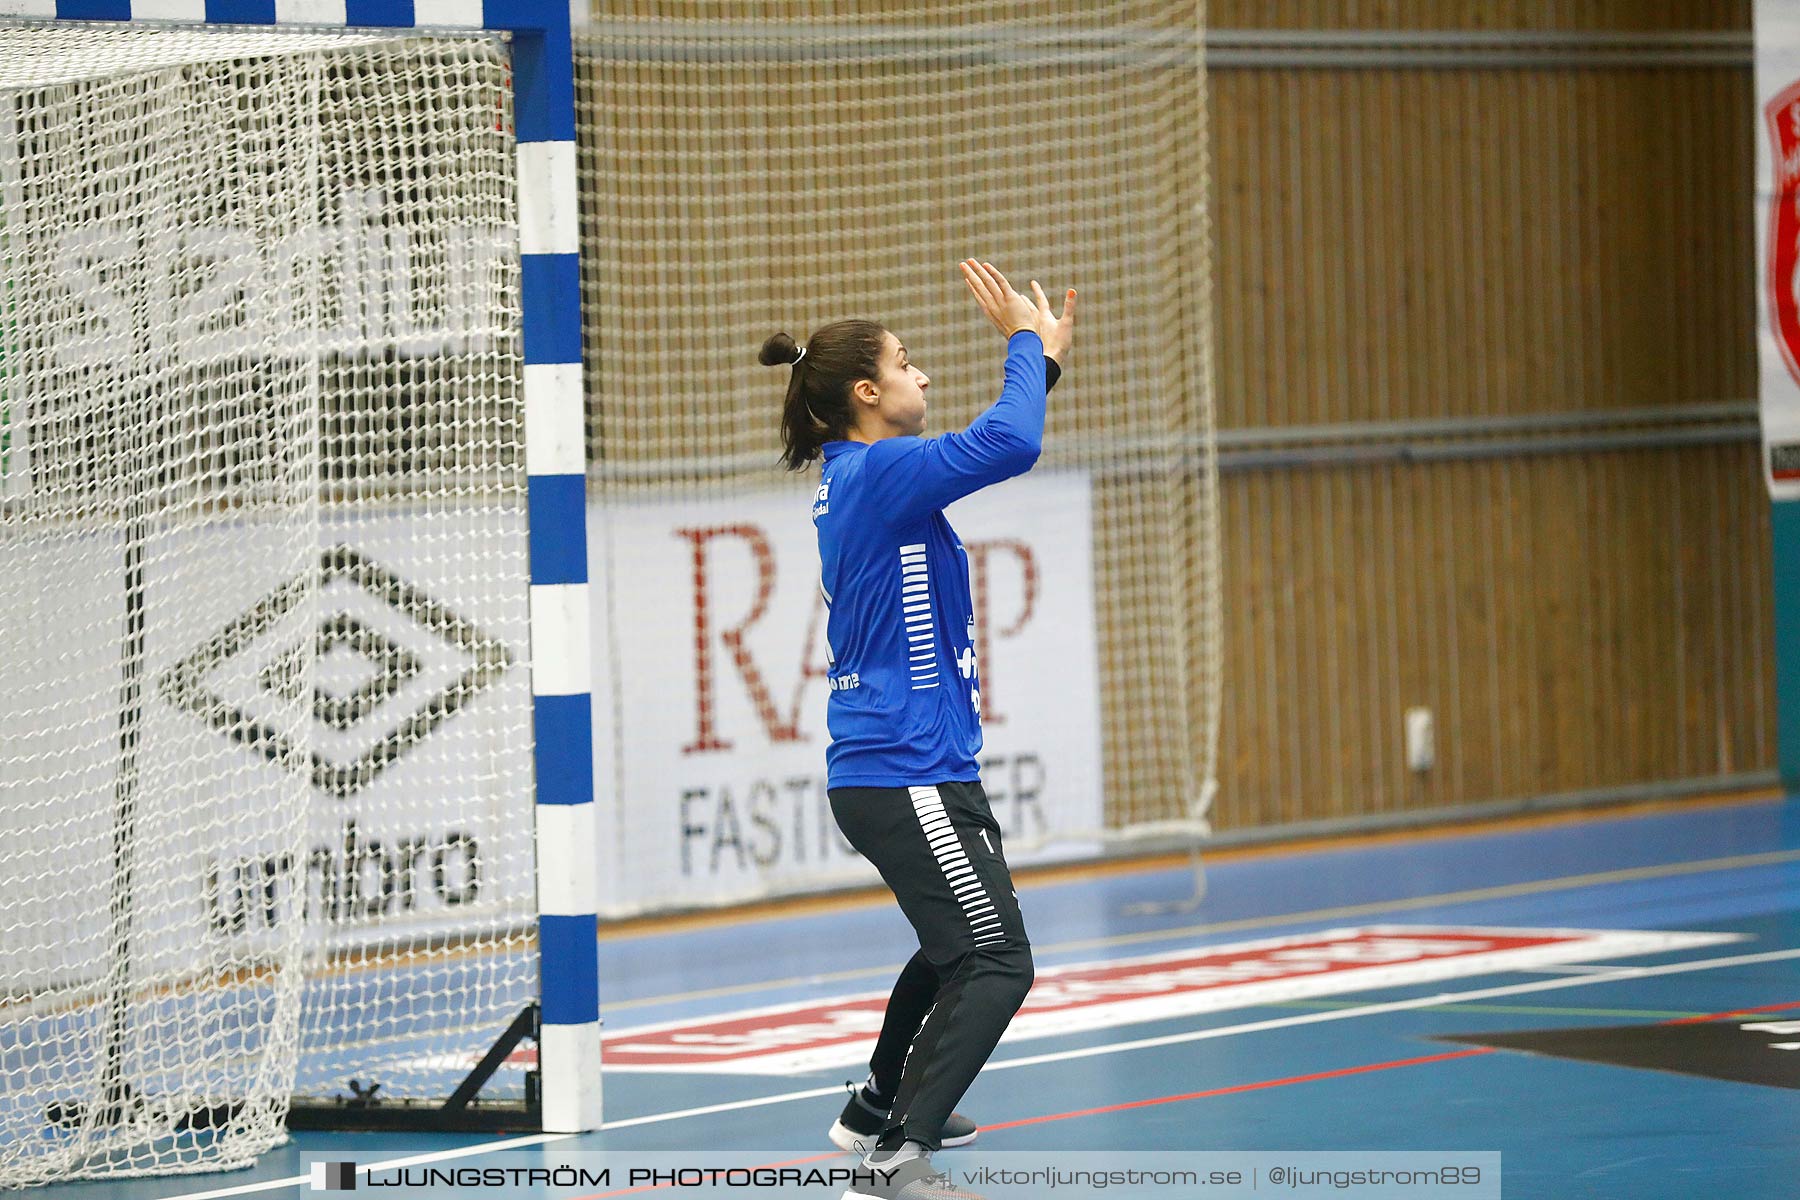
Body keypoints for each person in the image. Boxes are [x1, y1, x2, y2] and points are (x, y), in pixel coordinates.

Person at [760, 260, 1076, 1200]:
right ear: (867, 392)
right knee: (996, 960)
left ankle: (875, 1107)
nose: (923, 376)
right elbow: (1010, 442)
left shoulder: (866, 477)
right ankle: (899, 1154)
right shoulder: (880, 474)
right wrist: (1026, 346)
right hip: (904, 769)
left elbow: (999, 439)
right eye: (908, 363)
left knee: (956, 947)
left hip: (906, 765)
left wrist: (1042, 364)